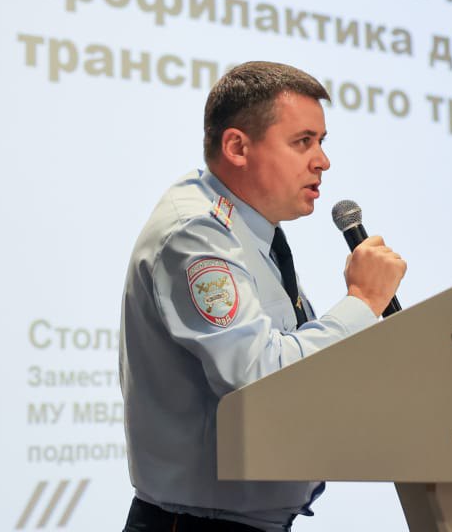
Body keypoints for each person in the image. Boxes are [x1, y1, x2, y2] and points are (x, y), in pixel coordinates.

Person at [119, 61, 406, 532]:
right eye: (303, 142)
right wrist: (363, 300)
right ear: (237, 146)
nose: (322, 161)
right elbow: (260, 380)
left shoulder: (248, 233)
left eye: (321, 142)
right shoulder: (197, 234)